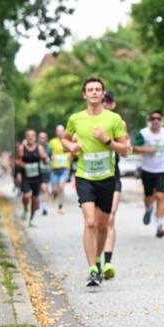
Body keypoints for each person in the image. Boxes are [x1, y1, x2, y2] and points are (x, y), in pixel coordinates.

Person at [62, 78, 129, 288]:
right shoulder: (75, 118)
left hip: (107, 177)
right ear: (84, 95)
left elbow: (125, 150)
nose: (93, 92)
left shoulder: (114, 119)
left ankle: (98, 258)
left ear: (102, 95)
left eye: (97, 89)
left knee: (102, 225)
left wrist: (106, 140)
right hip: (84, 176)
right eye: (90, 89)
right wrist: (70, 147)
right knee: (90, 222)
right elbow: (65, 139)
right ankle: (92, 268)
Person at [134, 110, 164, 238]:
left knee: (160, 196)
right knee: (148, 196)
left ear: (161, 120)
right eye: (153, 118)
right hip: (147, 169)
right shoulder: (144, 133)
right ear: (150, 121)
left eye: (158, 118)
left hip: (161, 170)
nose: (156, 120)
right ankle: (148, 208)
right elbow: (135, 148)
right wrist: (147, 150)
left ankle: (159, 226)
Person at [99, 90, 125, 279]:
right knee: (97, 223)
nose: (105, 103)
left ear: (113, 104)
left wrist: (109, 140)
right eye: (103, 100)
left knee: (110, 218)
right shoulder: (89, 122)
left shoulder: (118, 123)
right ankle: (95, 260)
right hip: (91, 178)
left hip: (112, 176)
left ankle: (107, 262)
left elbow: (126, 148)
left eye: (108, 101)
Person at [16, 129, 49, 227]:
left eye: (32, 136)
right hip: (26, 176)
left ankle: (31, 219)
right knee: (26, 196)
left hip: (37, 176)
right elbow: (17, 161)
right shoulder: (22, 148)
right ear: (26, 137)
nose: (30, 137)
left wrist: (44, 158)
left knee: (35, 199)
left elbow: (45, 162)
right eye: (28, 136)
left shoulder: (39, 148)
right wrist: (24, 165)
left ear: (35, 137)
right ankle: (25, 209)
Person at [49, 125, 71, 214]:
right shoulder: (52, 142)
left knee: (61, 187)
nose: (60, 133)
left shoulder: (67, 141)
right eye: (58, 131)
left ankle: (61, 206)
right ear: (56, 132)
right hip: (55, 168)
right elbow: (47, 152)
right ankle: (54, 193)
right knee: (55, 189)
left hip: (65, 167)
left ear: (64, 132)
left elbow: (72, 151)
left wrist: (71, 156)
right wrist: (50, 156)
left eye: (61, 131)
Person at [38, 130, 51, 216]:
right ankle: (38, 204)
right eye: (40, 137)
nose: (42, 139)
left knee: (44, 188)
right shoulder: (35, 147)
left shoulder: (49, 148)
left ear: (46, 139)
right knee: (38, 190)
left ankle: (44, 207)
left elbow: (51, 157)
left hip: (46, 171)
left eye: (43, 137)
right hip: (36, 171)